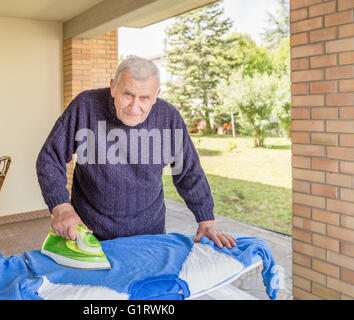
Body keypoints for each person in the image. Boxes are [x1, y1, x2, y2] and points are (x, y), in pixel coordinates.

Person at [36, 56, 236, 249]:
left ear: (156, 95)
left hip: (150, 234)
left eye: (144, 98)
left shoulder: (169, 118)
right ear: (113, 87)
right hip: (89, 232)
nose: (134, 107)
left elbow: (189, 172)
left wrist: (206, 220)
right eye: (128, 95)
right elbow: (49, 158)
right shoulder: (85, 106)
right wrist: (61, 207)